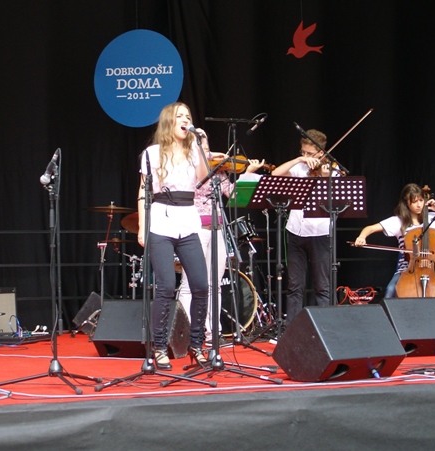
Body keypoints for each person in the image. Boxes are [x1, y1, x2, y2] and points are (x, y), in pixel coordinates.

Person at [137, 102, 210, 370]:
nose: (185, 120)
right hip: (161, 219)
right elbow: (143, 191)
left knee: (201, 285)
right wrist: (142, 226)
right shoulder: (152, 153)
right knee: (166, 286)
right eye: (180, 116)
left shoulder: (194, 152)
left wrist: (202, 144)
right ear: (170, 121)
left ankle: (196, 344)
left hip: (188, 219)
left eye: (188, 116)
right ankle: (159, 346)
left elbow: (203, 178)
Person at [177, 157, 266, 345]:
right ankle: (187, 333)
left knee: (214, 283)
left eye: (206, 145)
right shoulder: (186, 167)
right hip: (194, 228)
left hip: (217, 229)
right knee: (189, 283)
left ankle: (212, 332)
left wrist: (247, 173)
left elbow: (233, 196)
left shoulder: (219, 170)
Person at [353, 183, 435, 317]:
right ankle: (388, 324)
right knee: (390, 290)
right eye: (414, 202)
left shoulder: (433, 219)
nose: (419, 205)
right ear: (407, 202)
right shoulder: (398, 221)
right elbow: (370, 228)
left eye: (421, 200)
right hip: (406, 269)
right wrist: (362, 237)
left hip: (434, 270)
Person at [271, 129, 335, 322]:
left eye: (310, 153)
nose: (306, 156)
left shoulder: (332, 170)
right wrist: (299, 159)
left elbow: (337, 200)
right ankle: (293, 329)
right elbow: (275, 173)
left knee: (322, 286)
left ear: (321, 153)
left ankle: (325, 327)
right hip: (295, 231)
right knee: (294, 286)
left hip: (320, 233)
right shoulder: (299, 168)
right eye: (303, 152)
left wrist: (326, 178)